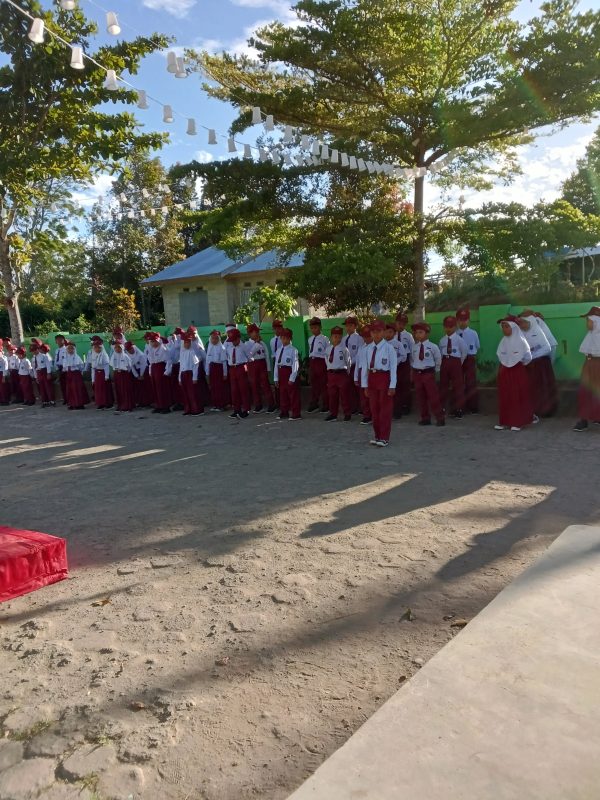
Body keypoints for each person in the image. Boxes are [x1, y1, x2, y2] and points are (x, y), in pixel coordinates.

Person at [495, 316, 535, 431]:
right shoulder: (503, 341)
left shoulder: (521, 341)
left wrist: (517, 364)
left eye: (506, 326)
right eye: (502, 327)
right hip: (504, 371)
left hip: (517, 371)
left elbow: (528, 357)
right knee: (505, 395)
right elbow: (501, 355)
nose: (504, 329)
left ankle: (517, 422)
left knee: (517, 396)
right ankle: (504, 421)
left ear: (514, 327)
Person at [361, 320, 397, 446]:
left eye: (379, 331)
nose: (376, 334)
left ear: (384, 332)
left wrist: (392, 385)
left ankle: (384, 437)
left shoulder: (389, 348)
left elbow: (393, 368)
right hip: (372, 378)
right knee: (374, 409)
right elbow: (365, 368)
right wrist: (365, 385)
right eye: (373, 331)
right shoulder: (367, 349)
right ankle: (377, 436)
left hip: (384, 377)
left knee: (385, 409)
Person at [517, 313, 557, 418]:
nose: (522, 325)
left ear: (530, 322)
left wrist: (532, 356)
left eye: (524, 323)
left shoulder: (538, 332)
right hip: (528, 365)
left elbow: (547, 348)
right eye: (521, 323)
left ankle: (545, 410)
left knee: (543, 387)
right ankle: (533, 410)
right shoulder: (520, 333)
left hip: (541, 365)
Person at [411, 322, 444, 427]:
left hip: (428, 374)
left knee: (433, 397)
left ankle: (440, 418)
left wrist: (436, 370)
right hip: (418, 374)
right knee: (420, 397)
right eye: (416, 333)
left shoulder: (433, 347)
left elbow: (438, 359)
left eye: (421, 332)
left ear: (427, 333)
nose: (418, 335)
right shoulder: (414, 347)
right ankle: (425, 418)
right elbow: (412, 359)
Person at [573, 306, 600, 432]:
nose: (587, 323)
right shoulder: (590, 335)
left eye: (589, 320)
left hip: (597, 365)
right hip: (589, 364)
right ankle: (584, 419)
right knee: (585, 392)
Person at [439, 315, 468, 418]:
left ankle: (459, 409)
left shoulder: (459, 340)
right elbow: (440, 354)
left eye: (451, 326)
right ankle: (442, 408)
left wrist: (458, 362)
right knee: (443, 386)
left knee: (458, 387)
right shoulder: (442, 340)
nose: (448, 329)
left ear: (455, 327)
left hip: (455, 363)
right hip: (445, 362)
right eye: (446, 326)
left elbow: (464, 351)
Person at [245, 324, 276, 413]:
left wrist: (269, 369)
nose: (258, 333)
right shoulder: (247, 344)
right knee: (254, 385)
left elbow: (266, 356)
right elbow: (249, 354)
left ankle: (271, 404)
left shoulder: (262, 343)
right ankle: (258, 405)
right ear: (250, 333)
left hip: (262, 364)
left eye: (258, 331)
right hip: (252, 365)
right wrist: (256, 344)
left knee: (265, 385)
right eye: (256, 332)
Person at [324, 326, 352, 422]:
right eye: (335, 336)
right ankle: (333, 414)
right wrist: (330, 370)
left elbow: (348, 362)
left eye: (339, 336)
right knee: (332, 395)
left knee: (344, 395)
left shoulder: (344, 349)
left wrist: (347, 373)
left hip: (342, 374)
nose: (337, 338)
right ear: (331, 337)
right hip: (332, 374)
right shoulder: (328, 349)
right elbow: (326, 361)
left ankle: (347, 413)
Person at [456, 307, 480, 413]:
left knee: (471, 382)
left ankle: (473, 406)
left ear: (468, 320)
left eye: (465, 319)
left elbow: (477, 346)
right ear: (457, 321)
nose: (462, 322)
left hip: (470, 358)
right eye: (460, 319)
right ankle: (461, 407)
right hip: (458, 360)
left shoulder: (473, 333)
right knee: (459, 383)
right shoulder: (455, 334)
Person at [274, 327, 301, 420]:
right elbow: (276, 365)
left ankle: (296, 413)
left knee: (293, 394)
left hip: (289, 372)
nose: (284, 340)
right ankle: (284, 411)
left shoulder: (294, 350)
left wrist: (292, 378)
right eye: (282, 338)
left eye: (286, 338)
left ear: (290, 339)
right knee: (283, 394)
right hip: (281, 372)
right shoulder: (278, 350)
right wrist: (276, 378)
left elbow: (295, 365)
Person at [225, 328, 251, 419]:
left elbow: (250, 357)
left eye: (234, 340)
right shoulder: (229, 347)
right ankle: (237, 410)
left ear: (238, 338)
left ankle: (246, 409)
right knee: (234, 390)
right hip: (232, 369)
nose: (233, 342)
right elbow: (227, 356)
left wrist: (246, 366)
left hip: (241, 367)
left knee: (243, 389)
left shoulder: (244, 346)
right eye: (231, 340)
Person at [306, 317, 330, 413]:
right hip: (313, 362)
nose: (313, 330)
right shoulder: (310, 339)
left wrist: (328, 366)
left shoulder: (325, 339)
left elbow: (327, 353)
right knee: (314, 383)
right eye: (312, 328)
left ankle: (326, 404)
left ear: (320, 327)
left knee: (323, 384)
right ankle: (314, 403)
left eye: (315, 327)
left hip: (321, 362)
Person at [393, 312, 414, 417]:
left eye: (403, 324)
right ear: (395, 322)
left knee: (405, 385)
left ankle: (406, 406)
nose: (401, 325)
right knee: (395, 385)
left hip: (405, 364)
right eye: (399, 323)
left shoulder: (408, 336)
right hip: (394, 363)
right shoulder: (392, 335)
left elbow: (412, 351)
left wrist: (412, 368)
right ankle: (397, 407)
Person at [178, 332, 204, 416]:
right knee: (186, 393)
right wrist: (179, 378)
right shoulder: (182, 353)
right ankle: (188, 409)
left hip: (191, 374)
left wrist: (194, 377)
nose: (187, 344)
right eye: (185, 343)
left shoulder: (192, 352)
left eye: (188, 342)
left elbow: (195, 365)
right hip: (183, 374)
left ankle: (197, 410)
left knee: (193, 393)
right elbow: (181, 366)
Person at [147, 332, 171, 414]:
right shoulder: (150, 350)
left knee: (162, 388)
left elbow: (168, 361)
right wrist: (150, 371)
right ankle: (158, 405)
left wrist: (167, 371)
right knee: (155, 388)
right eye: (151, 341)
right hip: (154, 369)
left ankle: (165, 406)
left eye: (154, 341)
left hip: (161, 368)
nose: (153, 343)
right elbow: (150, 362)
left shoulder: (163, 349)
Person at [355, 324, 373, 425]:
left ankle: (373, 415)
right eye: (364, 336)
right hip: (362, 372)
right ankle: (366, 415)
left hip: (371, 372)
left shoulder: (375, 347)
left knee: (372, 396)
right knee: (363, 396)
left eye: (368, 336)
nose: (366, 338)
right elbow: (358, 362)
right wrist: (356, 376)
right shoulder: (361, 347)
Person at [206, 330, 228, 411]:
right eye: (212, 338)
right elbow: (208, 361)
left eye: (216, 338)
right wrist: (207, 372)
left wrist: (225, 373)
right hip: (212, 369)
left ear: (218, 339)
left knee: (220, 388)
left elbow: (224, 362)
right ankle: (215, 404)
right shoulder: (209, 347)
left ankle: (221, 405)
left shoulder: (221, 348)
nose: (214, 340)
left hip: (219, 369)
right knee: (213, 387)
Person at [125, 341, 152, 407]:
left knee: (145, 388)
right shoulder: (127, 355)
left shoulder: (140, 355)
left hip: (143, 371)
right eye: (128, 350)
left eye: (131, 348)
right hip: (135, 372)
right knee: (137, 388)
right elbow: (131, 366)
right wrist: (137, 376)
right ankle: (139, 402)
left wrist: (141, 375)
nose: (130, 350)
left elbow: (143, 365)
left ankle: (147, 402)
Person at [110, 341, 135, 412]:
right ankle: (120, 405)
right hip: (117, 375)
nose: (117, 349)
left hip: (124, 375)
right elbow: (113, 366)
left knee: (126, 390)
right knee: (119, 390)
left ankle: (128, 406)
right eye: (115, 347)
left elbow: (129, 367)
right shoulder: (113, 356)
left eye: (119, 347)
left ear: (122, 348)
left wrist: (123, 370)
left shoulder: (125, 356)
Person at [63, 342, 89, 410]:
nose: (70, 350)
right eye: (69, 349)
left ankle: (79, 404)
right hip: (69, 375)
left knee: (77, 389)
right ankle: (72, 404)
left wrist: (77, 370)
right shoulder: (66, 358)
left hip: (76, 375)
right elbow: (65, 367)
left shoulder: (77, 357)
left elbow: (81, 366)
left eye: (72, 349)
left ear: (74, 349)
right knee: (70, 389)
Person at [89, 338, 113, 410]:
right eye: (95, 348)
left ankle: (108, 403)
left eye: (99, 347)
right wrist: (93, 379)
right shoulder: (93, 355)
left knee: (105, 389)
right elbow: (93, 368)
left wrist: (106, 376)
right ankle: (100, 403)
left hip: (103, 374)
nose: (97, 349)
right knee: (98, 390)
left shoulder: (104, 355)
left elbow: (106, 366)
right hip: (97, 374)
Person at [54, 334, 68, 404]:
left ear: (64, 341)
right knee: (62, 385)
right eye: (57, 340)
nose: (59, 341)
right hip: (59, 368)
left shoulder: (66, 349)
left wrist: (64, 368)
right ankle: (65, 399)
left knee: (67, 385)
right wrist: (56, 368)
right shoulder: (57, 350)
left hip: (65, 369)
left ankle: (68, 399)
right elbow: (56, 360)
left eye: (60, 340)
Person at [0, 340, 10, 405]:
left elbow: (5, 368)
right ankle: (1, 400)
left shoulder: (4, 358)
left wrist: (4, 376)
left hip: (2, 374)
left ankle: (5, 400)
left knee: (3, 388)